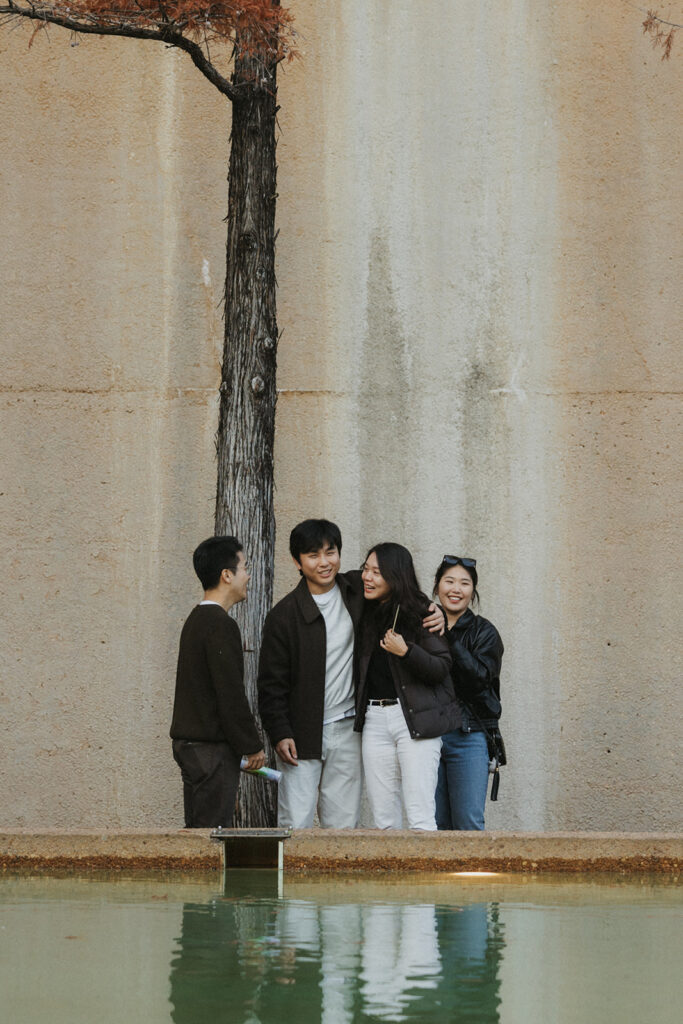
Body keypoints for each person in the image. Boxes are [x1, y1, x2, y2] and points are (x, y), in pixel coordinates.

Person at [257, 519, 365, 828]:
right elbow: (271, 684)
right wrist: (280, 732)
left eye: (330, 552)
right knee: (295, 822)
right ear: (297, 562)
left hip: (348, 728)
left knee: (343, 824)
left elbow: (400, 588)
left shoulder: (357, 591)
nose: (324, 562)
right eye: (313, 555)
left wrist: (433, 611)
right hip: (300, 733)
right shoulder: (283, 615)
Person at [354, 543, 456, 830]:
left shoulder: (421, 612)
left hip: (413, 718)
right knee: (384, 820)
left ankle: (424, 864)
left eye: (377, 572)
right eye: (366, 569)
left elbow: (441, 667)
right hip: (374, 719)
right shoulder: (363, 608)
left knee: (420, 816)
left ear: (396, 576)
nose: (367, 577)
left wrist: (406, 651)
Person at [170, 536, 265, 828]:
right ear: (227, 575)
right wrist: (252, 746)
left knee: (199, 832)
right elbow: (230, 693)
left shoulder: (197, 619)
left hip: (193, 748)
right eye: (244, 567)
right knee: (210, 837)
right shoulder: (220, 624)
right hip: (210, 752)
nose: (248, 576)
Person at [433, 556, 504, 830]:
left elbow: (478, 681)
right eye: (449, 581)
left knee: (468, 823)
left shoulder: (485, 632)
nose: (456, 589)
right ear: (437, 586)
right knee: (434, 825)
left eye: (464, 583)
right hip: (429, 736)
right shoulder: (422, 626)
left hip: (469, 735)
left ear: (473, 592)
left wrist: (448, 636)